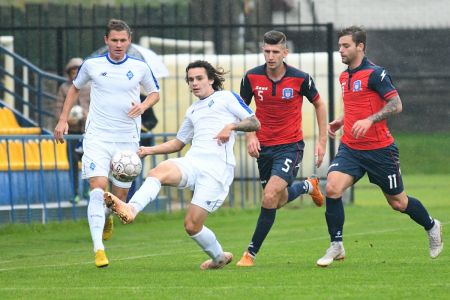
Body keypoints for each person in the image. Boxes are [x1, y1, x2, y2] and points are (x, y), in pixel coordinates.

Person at [103, 60, 260, 270]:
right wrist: (149, 150)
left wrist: (231, 126)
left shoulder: (227, 97)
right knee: (157, 172)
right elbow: (178, 143)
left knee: (192, 226)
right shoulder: (193, 110)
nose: (194, 83)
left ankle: (219, 258)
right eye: (190, 80)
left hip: (216, 170)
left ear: (211, 79)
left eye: (199, 78)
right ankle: (131, 209)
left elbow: (254, 122)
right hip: (193, 161)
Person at [316, 26, 443, 267]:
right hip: (351, 148)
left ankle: (431, 225)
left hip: (380, 150)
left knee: (398, 203)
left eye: (345, 46)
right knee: (332, 188)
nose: (340, 50)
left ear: (360, 46)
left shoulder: (376, 74)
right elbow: (356, 105)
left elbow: (396, 104)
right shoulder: (345, 76)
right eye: (340, 45)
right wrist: (341, 120)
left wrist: (370, 119)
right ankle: (336, 245)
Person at [54, 19, 160, 268]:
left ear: (129, 41)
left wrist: (143, 105)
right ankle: (98, 250)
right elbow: (73, 89)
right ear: (106, 41)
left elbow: (155, 92)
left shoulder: (140, 67)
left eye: (123, 40)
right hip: (97, 137)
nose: (119, 45)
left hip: (127, 140)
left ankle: (108, 217)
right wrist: (62, 120)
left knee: (118, 197)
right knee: (97, 189)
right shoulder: (92, 65)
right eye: (114, 40)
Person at [236, 30, 328, 267]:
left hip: (290, 146)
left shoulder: (300, 78)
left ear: (285, 52)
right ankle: (309, 186)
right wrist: (250, 138)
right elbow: (241, 110)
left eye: (275, 51)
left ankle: (250, 254)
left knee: (268, 196)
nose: (270, 56)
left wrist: (321, 141)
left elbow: (319, 104)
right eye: (267, 51)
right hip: (264, 147)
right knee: (276, 200)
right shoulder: (251, 78)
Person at [55, 57, 91, 203]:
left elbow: (97, 106)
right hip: (72, 133)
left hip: (88, 132)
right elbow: (58, 107)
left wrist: (86, 115)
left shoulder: (90, 86)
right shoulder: (64, 88)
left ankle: (88, 189)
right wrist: (65, 120)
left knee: (89, 162)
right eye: (73, 71)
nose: (75, 74)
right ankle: (75, 193)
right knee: (73, 162)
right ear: (69, 73)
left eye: (78, 70)